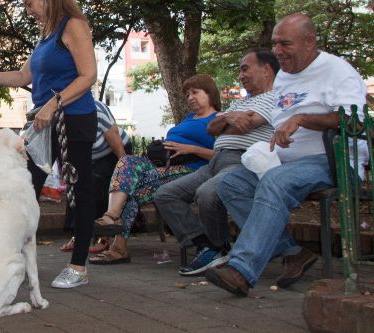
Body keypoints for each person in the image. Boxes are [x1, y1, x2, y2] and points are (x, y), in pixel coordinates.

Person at [206, 14, 368, 296]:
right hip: (286, 160)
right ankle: (293, 252)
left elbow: (355, 123)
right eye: (274, 44)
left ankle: (242, 269)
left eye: (285, 44)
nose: (277, 51)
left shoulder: (337, 71)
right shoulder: (283, 78)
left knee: (276, 181)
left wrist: (303, 119)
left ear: (309, 41)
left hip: (335, 160)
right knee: (230, 184)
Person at [0, 0, 98, 288]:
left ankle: (78, 267)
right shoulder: (45, 36)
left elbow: (88, 75)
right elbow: (24, 77)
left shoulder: (73, 25)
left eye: (29, 3)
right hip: (42, 123)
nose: (28, 10)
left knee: (80, 189)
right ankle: (14, 261)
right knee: (23, 188)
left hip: (73, 120)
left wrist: (54, 104)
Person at [153, 48, 279, 276]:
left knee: (207, 193)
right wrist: (229, 118)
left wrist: (224, 121)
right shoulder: (242, 102)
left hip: (239, 161)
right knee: (164, 194)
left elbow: (248, 124)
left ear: (267, 70)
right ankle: (208, 245)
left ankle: (218, 246)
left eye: (245, 69)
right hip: (215, 162)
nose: (240, 76)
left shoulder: (277, 97)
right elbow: (212, 127)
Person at [89, 74, 220, 264]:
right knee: (127, 163)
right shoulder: (190, 118)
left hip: (192, 170)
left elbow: (222, 154)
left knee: (130, 186)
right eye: (188, 94)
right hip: (165, 167)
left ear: (210, 94)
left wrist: (191, 149)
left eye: (195, 92)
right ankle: (114, 227)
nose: (190, 97)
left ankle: (114, 233)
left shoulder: (219, 119)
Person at [60, 100, 132, 254]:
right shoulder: (57, 113)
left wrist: (124, 171)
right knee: (75, 184)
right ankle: (78, 235)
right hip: (88, 154)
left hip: (114, 151)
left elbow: (115, 142)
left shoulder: (97, 109)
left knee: (97, 182)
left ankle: (102, 236)